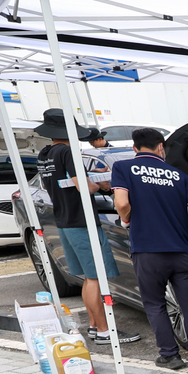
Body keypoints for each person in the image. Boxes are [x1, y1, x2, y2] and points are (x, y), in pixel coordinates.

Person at [110, 127, 188, 369]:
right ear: (161, 147)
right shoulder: (177, 174)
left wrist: (126, 219)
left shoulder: (123, 168)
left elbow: (121, 203)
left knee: (155, 304)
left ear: (134, 148)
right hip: (180, 251)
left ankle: (170, 356)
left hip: (147, 252)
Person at [33, 108, 139, 346]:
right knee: (95, 278)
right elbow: (83, 187)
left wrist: (91, 173)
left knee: (87, 278)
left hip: (64, 220)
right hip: (82, 222)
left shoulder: (45, 153)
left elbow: (64, 181)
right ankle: (104, 331)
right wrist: (101, 184)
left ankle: (94, 326)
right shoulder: (68, 152)